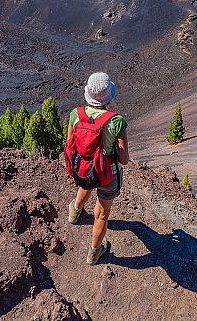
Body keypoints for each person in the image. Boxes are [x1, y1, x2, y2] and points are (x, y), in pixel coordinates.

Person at [66, 72, 129, 265]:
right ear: (108, 95)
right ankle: (94, 253)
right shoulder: (116, 121)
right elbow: (124, 159)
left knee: (86, 183)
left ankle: (74, 214)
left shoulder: (76, 114)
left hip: (84, 168)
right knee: (101, 214)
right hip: (108, 174)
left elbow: (70, 143)